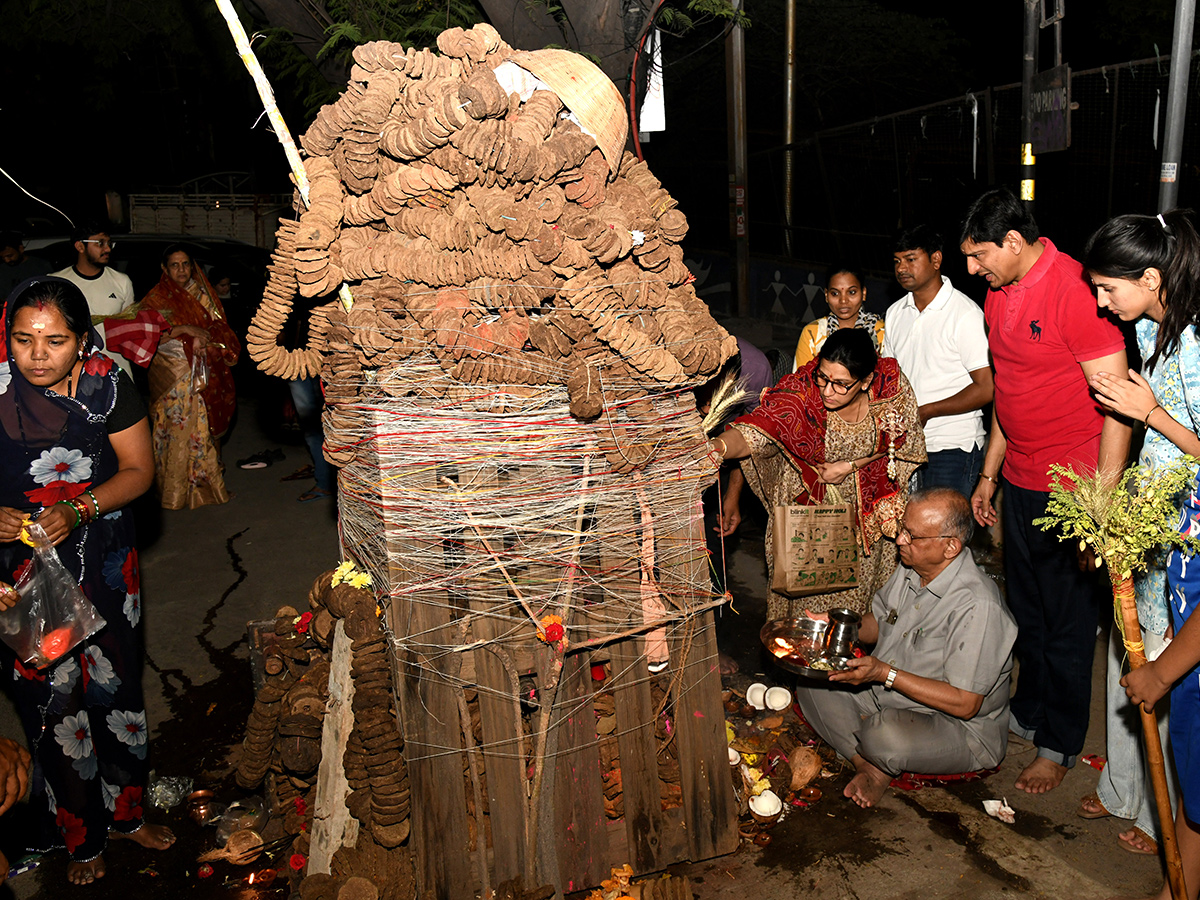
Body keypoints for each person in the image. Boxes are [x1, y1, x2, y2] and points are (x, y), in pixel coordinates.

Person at [0, 277, 174, 885]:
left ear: (81, 340)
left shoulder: (109, 384)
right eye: (23, 340)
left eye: (55, 341)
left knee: (116, 690)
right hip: (20, 574)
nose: (37, 355)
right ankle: (82, 836)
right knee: (53, 703)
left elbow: (139, 471)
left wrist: (77, 509)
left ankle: (127, 816)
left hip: (101, 561)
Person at [962, 188, 1133, 795]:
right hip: (1019, 479)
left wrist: (1101, 509)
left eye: (979, 255)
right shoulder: (996, 294)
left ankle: (1058, 744)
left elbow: (1118, 407)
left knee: (1067, 623)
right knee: (1027, 613)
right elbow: (1008, 392)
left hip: (1075, 488)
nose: (972, 269)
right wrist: (990, 475)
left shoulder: (1075, 291)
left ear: (1013, 241)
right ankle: (1028, 713)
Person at [1081, 209, 1200, 860]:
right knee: (1131, 663)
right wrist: (1106, 507)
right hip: (1148, 530)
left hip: (1188, 548)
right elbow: (1127, 424)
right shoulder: (1154, 334)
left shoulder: (1197, 345)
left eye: (1109, 288)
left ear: (1151, 277)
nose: (1102, 303)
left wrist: (1150, 410)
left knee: (1166, 677)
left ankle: (1170, 829)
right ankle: (1130, 791)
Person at [794, 489, 1018, 809]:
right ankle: (868, 766)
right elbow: (882, 622)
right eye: (903, 528)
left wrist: (884, 673)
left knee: (884, 736)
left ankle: (877, 755)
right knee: (814, 680)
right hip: (889, 694)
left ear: (950, 546)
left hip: (957, 727)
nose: (899, 540)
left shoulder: (978, 606)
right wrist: (842, 629)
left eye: (911, 535)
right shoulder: (913, 567)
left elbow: (965, 704)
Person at [714, 328, 926, 617]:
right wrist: (715, 448)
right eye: (823, 377)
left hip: (864, 525)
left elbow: (903, 439)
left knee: (854, 608)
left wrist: (851, 466)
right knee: (805, 606)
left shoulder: (890, 386)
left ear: (865, 381)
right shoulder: (802, 390)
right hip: (809, 519)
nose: (827, 390)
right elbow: (759, 429)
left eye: (841, 385)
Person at [884, 225, 993, 497]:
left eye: (911, 259)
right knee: (910, 534)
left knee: (943, 535)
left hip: (952, 446)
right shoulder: (896, 312)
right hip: (905, 446)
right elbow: (889, 377)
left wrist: (928, 410)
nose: (901, 268)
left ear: (935, 260)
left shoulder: (965, 314)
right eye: (897, 261)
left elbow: (986, 387)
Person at [140, 245, 240, 509]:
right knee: (174, 427)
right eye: (175, 265)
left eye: (186, 264)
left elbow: (219, 325)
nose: (181, 270)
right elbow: (148, 334)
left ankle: (205, 488)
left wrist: (204, 339)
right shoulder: (156, 298)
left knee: (203, 429)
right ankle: (172, 491)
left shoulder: (203, 293)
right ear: (164, 269)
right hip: (172, 376)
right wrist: (184, 330)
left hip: (203, 371)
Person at [50, 222, 135, 377]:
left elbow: (130, 327)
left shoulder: (122, 282)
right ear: (80, 247)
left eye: (109, 243)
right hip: (74, 373)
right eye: (100, 243)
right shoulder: (57, 282)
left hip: (116, 370)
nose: (107, 249)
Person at [793, 264, 885, 371]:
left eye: (851, 292)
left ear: (863, 293)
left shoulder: (881, 333)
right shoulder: (813, 334)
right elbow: (801, 381)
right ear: (826, 295)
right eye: (835, 293)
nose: (843, 300)